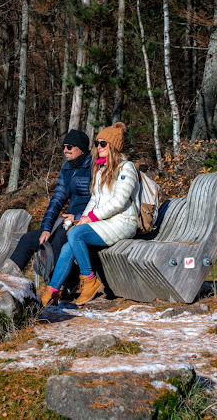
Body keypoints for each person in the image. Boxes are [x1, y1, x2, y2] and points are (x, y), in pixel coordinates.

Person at [41, 122, 139, 306]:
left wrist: (90, 219)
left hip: (123, 222)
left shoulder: (126, 168)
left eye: (103, 144)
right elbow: (93, 201)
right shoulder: (101, 170)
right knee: (70, 242)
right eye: (97, 143)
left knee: (76, 234)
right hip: (105, 223)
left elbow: (118, 202)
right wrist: (82, 220)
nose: (98, 147)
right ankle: (53, 290)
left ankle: (90, 279)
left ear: (114, 146)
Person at [0, 129, 93, 277]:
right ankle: (7, 280)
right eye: (63, 146)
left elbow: (100, 202)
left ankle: (63, 286)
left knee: (58, 241)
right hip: (67, 221)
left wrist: (77, 217)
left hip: (85, 221)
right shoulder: (67, 169)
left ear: (81, 148)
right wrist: (46, 228)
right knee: (28, 240)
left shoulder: (93, 168)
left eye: (69, 147)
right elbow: (56, 200)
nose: (65, 150)